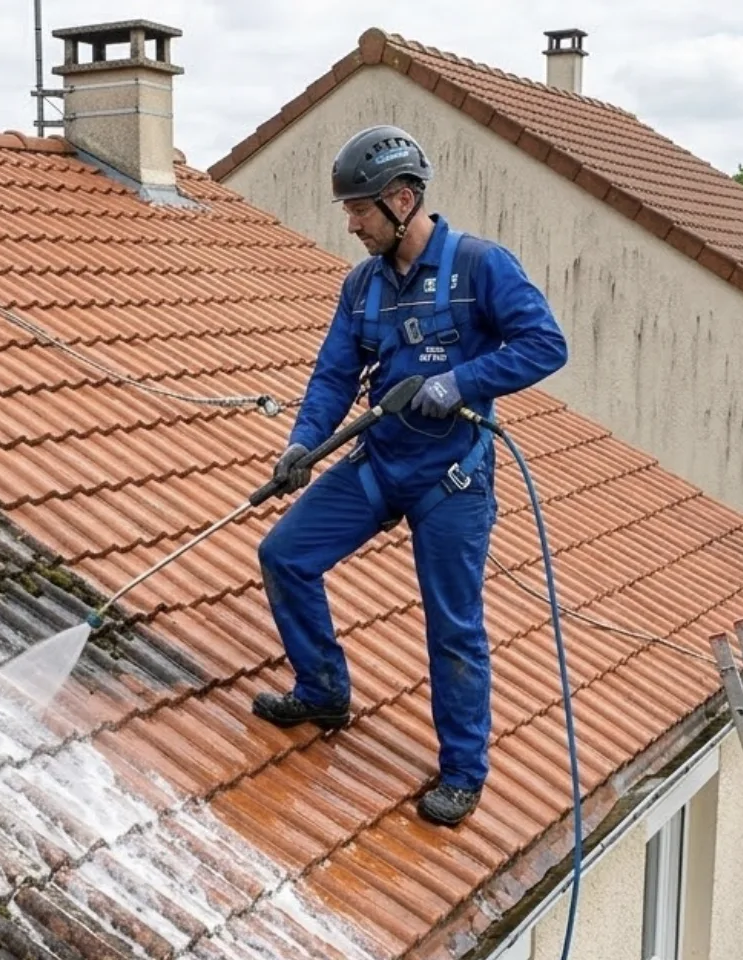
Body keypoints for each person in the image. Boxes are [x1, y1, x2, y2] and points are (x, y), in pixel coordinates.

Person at [251, 124, 570, 827]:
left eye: (360, 209)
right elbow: (334, 376)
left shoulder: (480, 268)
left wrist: (463, 381)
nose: (351, 222)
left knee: (451, 625)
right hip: (380, 462)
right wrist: (302, 446)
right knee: (284, 554)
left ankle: (462, 771)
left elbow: (547, 345)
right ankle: (324, 689)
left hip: (451, 478)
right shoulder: (362, 285)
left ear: (401, 200)